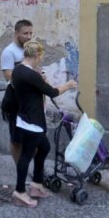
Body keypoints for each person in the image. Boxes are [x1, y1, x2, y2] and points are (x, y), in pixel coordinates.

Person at [10, 40, 78, 207]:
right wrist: (69, 85)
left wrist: (42, 79)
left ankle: (36, 185)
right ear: (37, 55)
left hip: (25, 119)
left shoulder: (18, 69)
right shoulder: (31, 75)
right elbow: (52, 92)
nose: (41, 60)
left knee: (45, 148)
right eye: (41, 56)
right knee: (26, 156)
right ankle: (20, 192)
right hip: (32, 122)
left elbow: (35, 89)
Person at [0, 19, 34, 163]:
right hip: (15, 101)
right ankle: (20, 168)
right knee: (16, 139)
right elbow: (9, 76)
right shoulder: (9, 51)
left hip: (30, 101)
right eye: (25, 33)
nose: (29, 36)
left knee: (34, 138)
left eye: (31, 33)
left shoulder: (30, 50)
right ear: (16, 33)